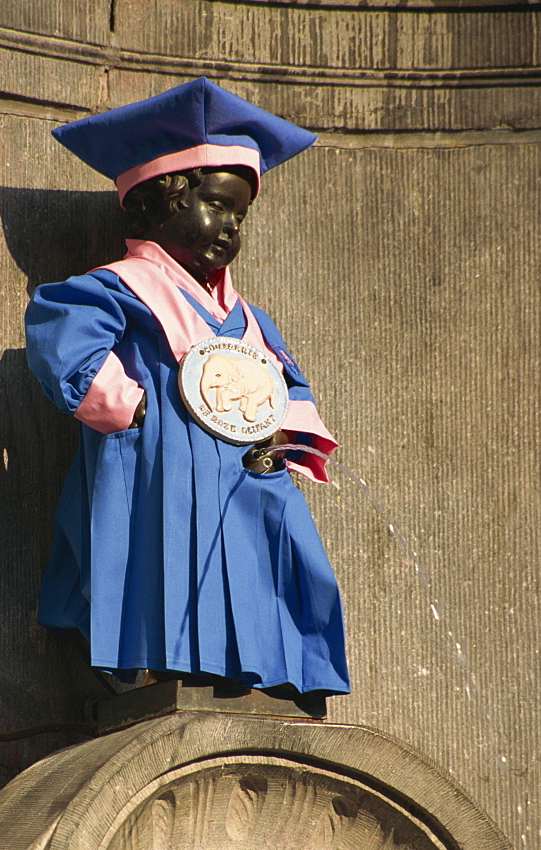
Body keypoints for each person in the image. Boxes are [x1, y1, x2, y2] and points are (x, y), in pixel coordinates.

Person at [25, 77, 349, 700]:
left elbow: (287, 378)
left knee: (269, 565)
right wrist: (130, 404)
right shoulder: (119, 285)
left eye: (239, 213)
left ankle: (261, 673)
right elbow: (60, 332)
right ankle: (164, 669)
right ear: (155, 205)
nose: (229, 226)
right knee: (160, 560)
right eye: (217, 206)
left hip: (246, 472)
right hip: (160, 461)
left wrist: (284, 432)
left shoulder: (247, 317)